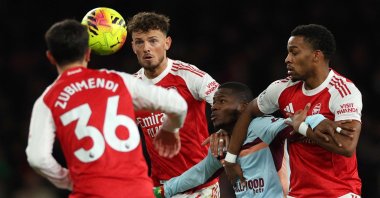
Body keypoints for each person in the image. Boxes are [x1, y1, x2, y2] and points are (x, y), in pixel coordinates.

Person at [25, 19, 188, 198]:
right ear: (88, 53)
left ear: (50, 57)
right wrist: (169, 129)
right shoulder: (120, 81)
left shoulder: (47, 100)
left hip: (91, 192)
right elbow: (177, 104)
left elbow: (37, 158)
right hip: (138, 192)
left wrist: (68, 180)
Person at [223, 24, 363, 197]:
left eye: (294, 52)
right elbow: (249, 111)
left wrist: (302, 128)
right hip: (298, 193)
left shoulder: (343, 91)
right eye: (288, 52)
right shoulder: (282, 89)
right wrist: (230, 159)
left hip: (339, 192)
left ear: (316, 56)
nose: (287, 59)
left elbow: (347, 145)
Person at [153, 82, 340, 198]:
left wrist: (318, 120)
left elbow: (291, 123)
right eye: (214, 102)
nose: (214, 107)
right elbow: (200, 173)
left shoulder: (260, 127)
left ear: (243, 107)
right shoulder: (223, 145)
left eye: (222, 101)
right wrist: (162, 191)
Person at [127, 12, 220, 197]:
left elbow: (227, 101)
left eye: (153, 41)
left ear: (167, 43)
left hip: (200, 186)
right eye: (139, 42)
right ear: (132, 46)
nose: (146, 48)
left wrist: (224, 129)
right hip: (160, 187)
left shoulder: (188, 75)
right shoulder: (131, 87)